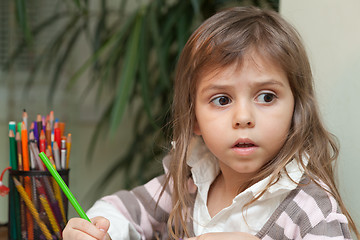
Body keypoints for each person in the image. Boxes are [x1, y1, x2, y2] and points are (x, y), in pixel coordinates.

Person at [63, 6, 359, 240]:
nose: (244, 118)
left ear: (296, 110)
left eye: (266, 97)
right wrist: (97, 230)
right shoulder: (188, 184)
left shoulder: (311, 209)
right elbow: (119, 210)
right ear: (194, 119)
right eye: (222, 100)